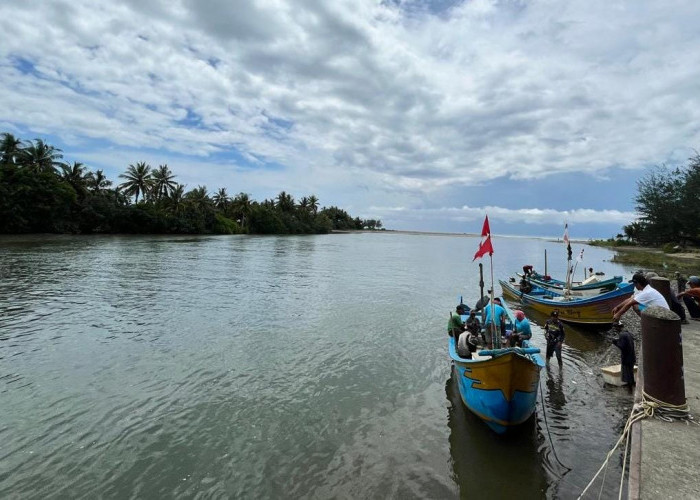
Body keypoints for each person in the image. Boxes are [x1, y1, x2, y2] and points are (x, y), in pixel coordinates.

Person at [611, 321, 636, 386]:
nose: (615, 330)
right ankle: (632, 385)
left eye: (615, 328)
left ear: (618, 328)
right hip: (632, 357)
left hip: (626, 359)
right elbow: (628, 343)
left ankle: (630, 390)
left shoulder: (622, 335)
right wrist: (618, 340)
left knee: (627, 376)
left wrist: (615, 342)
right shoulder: (628, 333)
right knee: (631, 374)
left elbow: (622, 346)